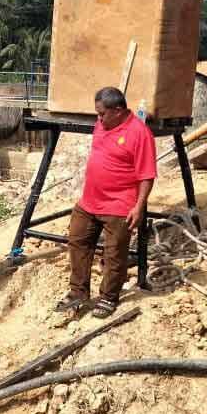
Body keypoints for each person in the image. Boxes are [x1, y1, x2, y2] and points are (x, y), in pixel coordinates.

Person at [56, 86, 157, 319]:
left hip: (119, 205)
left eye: (102, 114)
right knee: (78, 240)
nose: (98, 119)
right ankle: (78, 293)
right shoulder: (102, 125)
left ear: (119, 110)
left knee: (114, 254)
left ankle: (109, 297)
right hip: (90, 201)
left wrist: (139, 206)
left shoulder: (139, 133)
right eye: (97, 114)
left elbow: (146, 175)